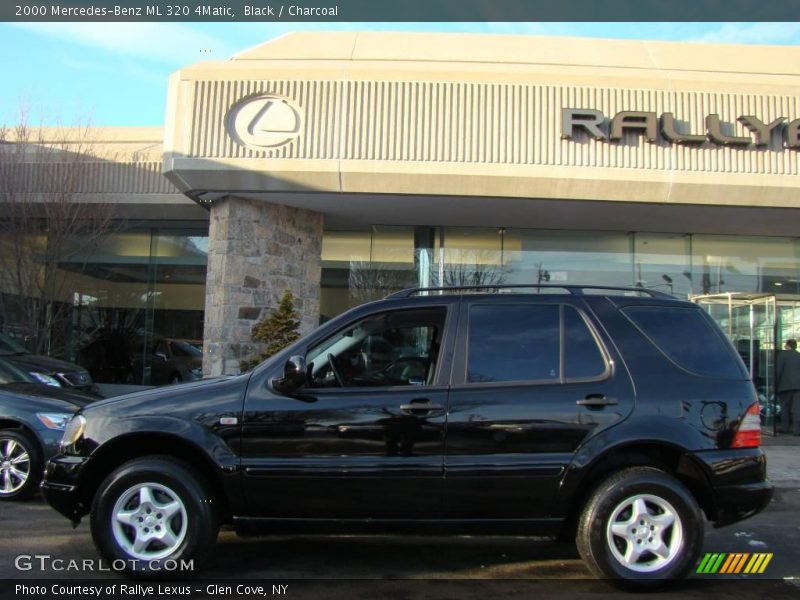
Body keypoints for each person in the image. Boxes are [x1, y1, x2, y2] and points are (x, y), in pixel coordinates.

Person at [776, 339, 800, 435]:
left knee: (785, 407)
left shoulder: (782, 355)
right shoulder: (798, 355)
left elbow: (778, 370)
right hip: (798, 386)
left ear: (787, 345)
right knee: (797, 408)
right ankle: (797, 430)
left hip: (785, 386)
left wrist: (774, 384)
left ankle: (785, 428)